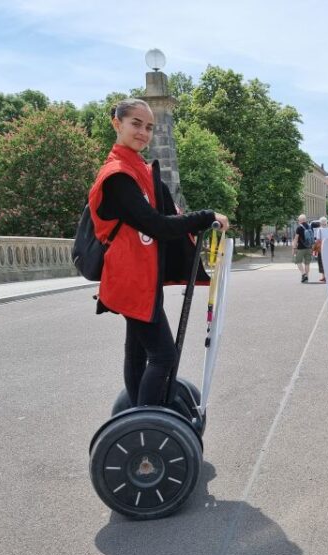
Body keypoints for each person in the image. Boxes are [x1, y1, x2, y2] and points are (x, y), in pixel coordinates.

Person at [89, 98, 230, 409]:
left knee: (139, 352)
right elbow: (156, 225)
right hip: (130, 278)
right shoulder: (117, 176)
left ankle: (140, 415)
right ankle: (146, 425)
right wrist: (207, 216)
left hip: (141, 276)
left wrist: (196, 220)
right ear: (117, 124)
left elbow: (168, 215)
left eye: (149, 127)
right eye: (136, 124)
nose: (143, 132)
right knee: (164, 355)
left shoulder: (138, 169)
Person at [313, 216, 328, 283]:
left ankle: (323, 277)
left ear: (320, 223)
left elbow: (318, 239)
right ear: (326, 222)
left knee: (321, 262)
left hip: (321, 248)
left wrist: (315, 249)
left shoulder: (319, 230)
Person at [292, 214, 313, 283]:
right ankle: (306, 277)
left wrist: (294, 248)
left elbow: (296, 239)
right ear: (305, 220)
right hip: (309, 248)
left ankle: (304, 274)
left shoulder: (299, 228)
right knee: (307, 263)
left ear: (300, 220)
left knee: (298, 261)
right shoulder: (310, 227)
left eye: (298, 220)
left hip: (301, 248)